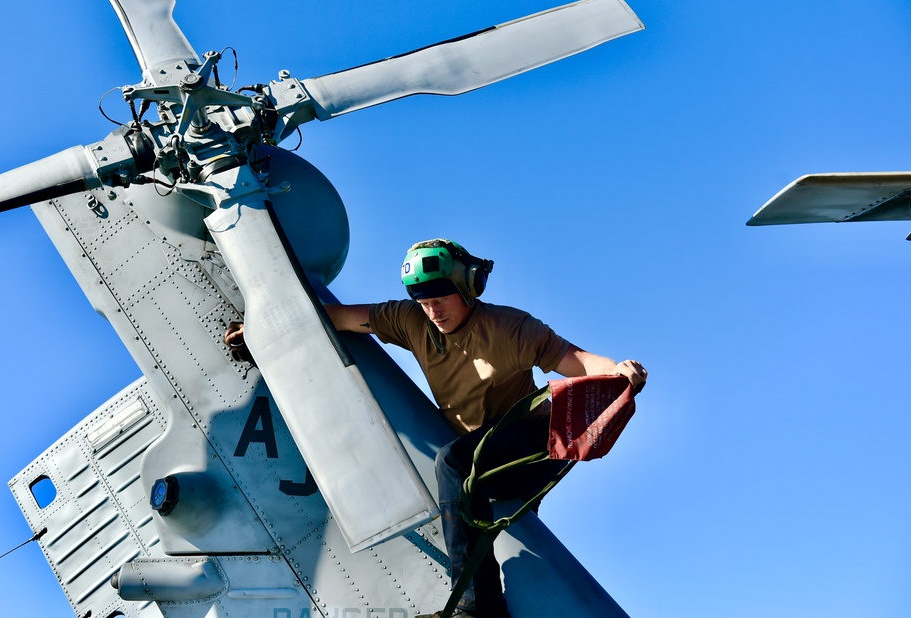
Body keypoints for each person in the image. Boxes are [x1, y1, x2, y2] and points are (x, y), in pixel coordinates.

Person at [225, 238, 647, 618]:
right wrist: (266, 331)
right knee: (502, 539)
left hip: (531, 445)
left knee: (454, 462)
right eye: (422, 298)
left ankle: (475, 608)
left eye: (440, 296)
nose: (433, 309)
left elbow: (577, 360)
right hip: (480, 450)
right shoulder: (413, 321)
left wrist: (620, 371)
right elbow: (341, 318)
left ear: (468, 287)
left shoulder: (512, 329)